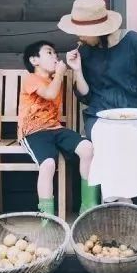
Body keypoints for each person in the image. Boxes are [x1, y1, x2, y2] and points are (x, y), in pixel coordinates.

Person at [58, 0, 137, 208]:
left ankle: (119, 202)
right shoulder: (85, 51)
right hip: (100, 114)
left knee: (133, 138)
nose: (79, 36)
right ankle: (121, 202)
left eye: (84, 32)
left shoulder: (135, 42)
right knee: (107, 137)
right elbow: (86, 96)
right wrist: (77, 70)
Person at [18, 40, 94, 216]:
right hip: (33, 131)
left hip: (55, 128)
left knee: (87, 148)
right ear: (34, 61)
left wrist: (72, 66)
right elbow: (50, 94)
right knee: (48, 164)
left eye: (55, 53)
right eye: (49, 53)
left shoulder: (53, 79)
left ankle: (88, 207)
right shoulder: (31, 79)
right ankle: (47, 218)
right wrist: (60, 73)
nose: (55, 56)